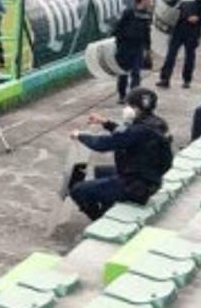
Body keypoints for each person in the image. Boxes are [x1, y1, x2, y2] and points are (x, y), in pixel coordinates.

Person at [68, 88, 172, 221]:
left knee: (78, 190)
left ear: (135, 108)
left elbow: (103, 144)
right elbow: (126, 134)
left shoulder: (140, 130)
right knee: (100, 171)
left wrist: (80, 136)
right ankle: (108, 208)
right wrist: (106, 123)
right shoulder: (155, 123)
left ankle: (99, 219)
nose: (126, 108)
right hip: (148, 178)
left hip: (136, 186)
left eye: (129, 105)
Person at [112, 0, 153, 103]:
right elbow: (118, 28)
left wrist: (148, 48)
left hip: (138, 47)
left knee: (136, 73)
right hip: (125, 46)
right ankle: (122, 95)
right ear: (142, 0)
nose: (150, 1)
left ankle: (133, 96)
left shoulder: (147, 15)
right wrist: (119, 42)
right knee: (123, 72)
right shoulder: (129, 12)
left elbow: (147, 32)